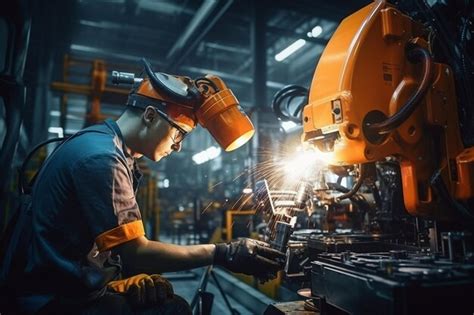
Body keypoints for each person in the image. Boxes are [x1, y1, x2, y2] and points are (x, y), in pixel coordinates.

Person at [5, 72, 285, 314]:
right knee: (173, 310)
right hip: (51, 301)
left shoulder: (103, 143)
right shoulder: (102, 159)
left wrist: (115, 281)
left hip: (62, 284)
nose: (178, 147)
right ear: (151, 116)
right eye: (178, 134)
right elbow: (136, 254)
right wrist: (224, 253)